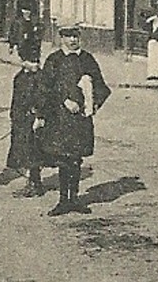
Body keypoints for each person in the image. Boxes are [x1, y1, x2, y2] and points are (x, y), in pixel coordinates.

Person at [36, 25, 111, 216]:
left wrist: (93, 105)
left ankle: (74, 198)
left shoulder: (87, 59)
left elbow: (101, 86)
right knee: (63, 158)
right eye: (68, 36)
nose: (72, 40)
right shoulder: (54, 60)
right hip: (59, 118)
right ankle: (63, 200)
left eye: (75, 36)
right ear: (61, 38)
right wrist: (63, 100)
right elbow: (44, 87)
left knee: (76, 158)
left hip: (80, 120)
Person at [6, 31, 47, 197]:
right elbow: (15, 100)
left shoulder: (40, 77)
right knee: (24, 150)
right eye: (30, 61)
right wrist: (13, 118)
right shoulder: (20, 77)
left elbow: (43, 98)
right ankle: (32, 181)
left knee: (34, 151)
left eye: (36, 61)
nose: (34, 64)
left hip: (33, 120)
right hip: (21, 120)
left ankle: (35, 184)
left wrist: (39, 116)